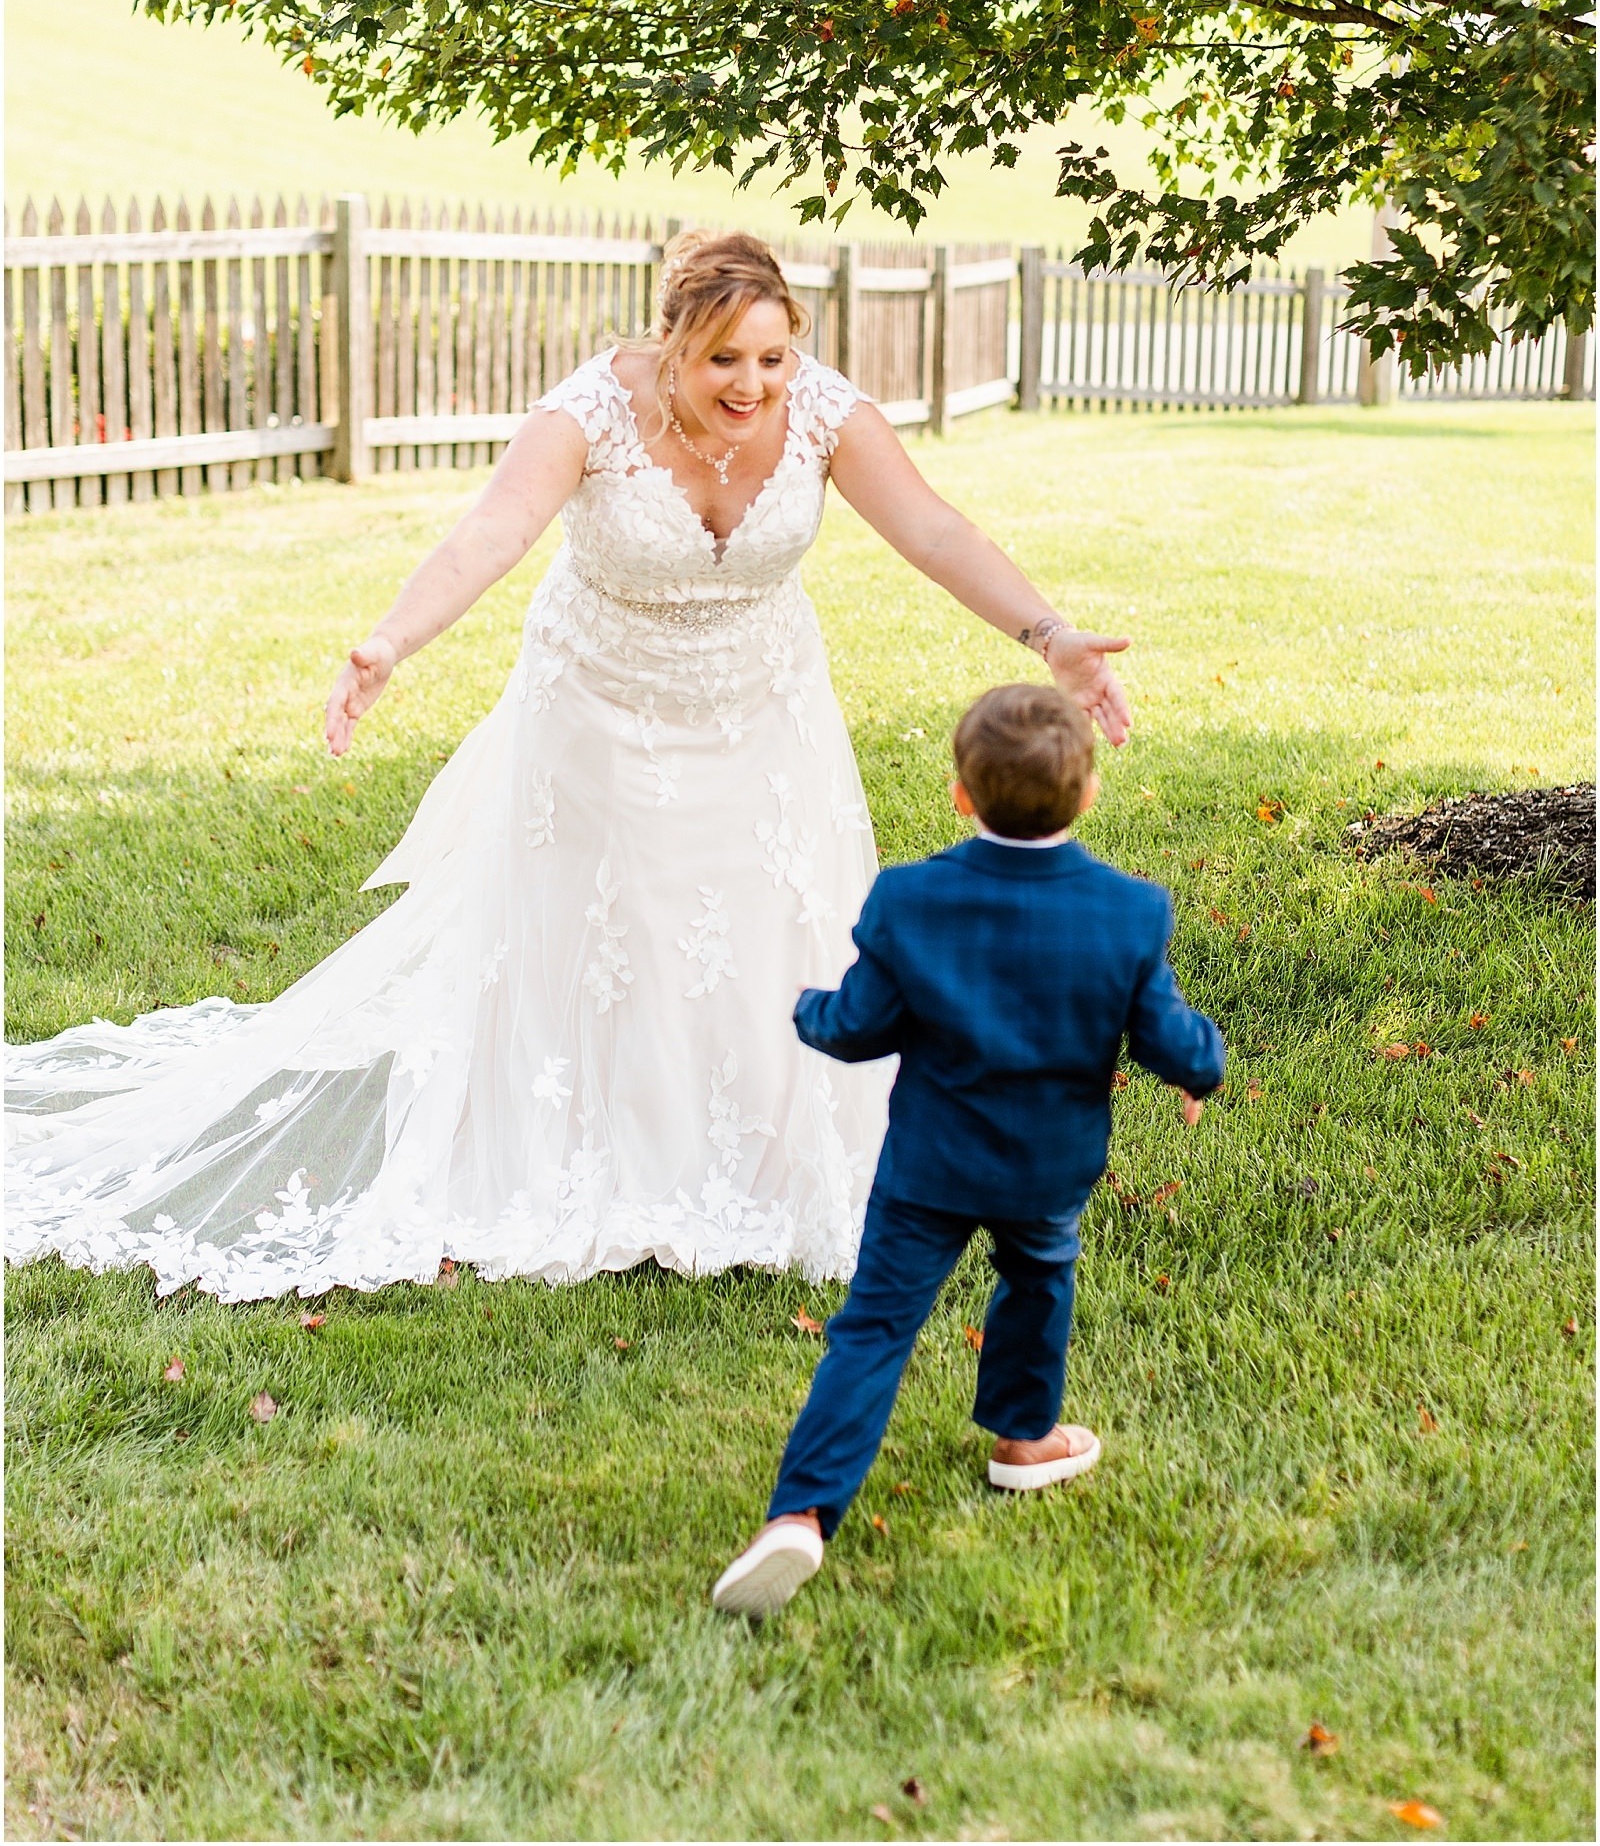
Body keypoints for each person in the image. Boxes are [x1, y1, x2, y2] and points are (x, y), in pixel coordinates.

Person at [7, 234, 1133, 1305]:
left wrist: (1050, 635)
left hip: (761, 703)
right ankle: (601, 1147)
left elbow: (932, 530)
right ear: (669, 344)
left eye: (773, 357)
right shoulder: (588, 411)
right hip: (597, 702)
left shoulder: (827, 415)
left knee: (759, 920)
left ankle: (758, 1150)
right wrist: (390, 642)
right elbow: (488, 532)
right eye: (722, 360)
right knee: (620, 927)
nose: (752, 386)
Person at [712, 682, 1223, 1618]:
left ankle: (801, 1516)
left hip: (929, 1170)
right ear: (1089, 793)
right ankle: (1023, 1440)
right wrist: (1202, 1068)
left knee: (873, 1329)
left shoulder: (911, 898)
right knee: (1038, 1280)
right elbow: (1167, 1037)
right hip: (1047, 1168)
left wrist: (803, 1008)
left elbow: (860, 1029)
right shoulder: (1129, 912)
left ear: (961, 794)